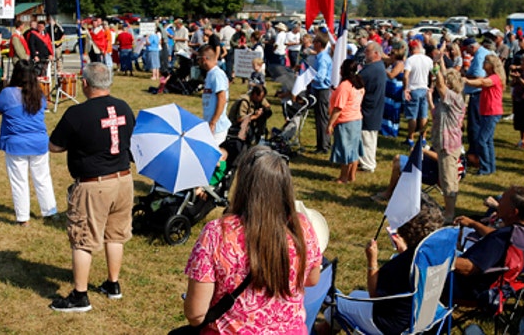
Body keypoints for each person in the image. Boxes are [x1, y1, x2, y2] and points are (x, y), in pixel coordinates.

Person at [182, 146, 322, 333]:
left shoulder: (217, 233)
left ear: (243, 185)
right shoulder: (302, 227)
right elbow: (312, 279)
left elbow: (195, 314)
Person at [49, 62, 136, 312]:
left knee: (82, 239)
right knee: (115, 234)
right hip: (123, 180)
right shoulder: (124, 107)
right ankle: (113, 284)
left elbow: (54, 145)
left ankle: (80, 295)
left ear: (85, 84)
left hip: (94, 185)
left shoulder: (78, 113)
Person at [316, 194, 444, 335]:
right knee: (354, 294)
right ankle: (323, 328)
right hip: (420, 315)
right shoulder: (435, 252)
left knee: (337, 305)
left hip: (391, 324)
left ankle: (320, 331)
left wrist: (372, 259)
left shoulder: (399, 265)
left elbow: (375, 295)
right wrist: (404, 251)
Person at [0, 59, 58, 226]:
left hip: (16, 143)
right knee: (42, 178)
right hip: (39, 142)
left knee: (19, 180)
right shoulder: (39, 94)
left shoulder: (8, 94)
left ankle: (23, 218)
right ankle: (50, 211)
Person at [451, 186, 524, 303]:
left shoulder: (499, 240)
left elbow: (469, 268)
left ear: (513, 212)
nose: (499, 202)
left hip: (467, 287)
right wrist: (474, 224)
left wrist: (437, 258)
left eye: (503, 200)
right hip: (497, 285)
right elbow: (496, 235)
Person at [430, 58, 465, 222]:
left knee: (449, 180)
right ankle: (448, 210)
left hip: (450, 144)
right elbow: (436, 115)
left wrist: (436, 71)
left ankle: (450, 214)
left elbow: (441, 86)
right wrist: (429, 98)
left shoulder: (456, 98)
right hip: (442, 143)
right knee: (444, 179)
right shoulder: (445, 100)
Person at [462, 54, 505, 175]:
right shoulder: (491, 76)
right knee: (488, 141)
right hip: (487, 111)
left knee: (482, 140)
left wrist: (466, 81)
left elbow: (482, 82)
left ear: (492, 65)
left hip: (492, 112)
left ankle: (485, 168)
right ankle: (490, 167)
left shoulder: (495, 78)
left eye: (486, 61)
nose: (483, 63)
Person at [328, 59, 365, 183]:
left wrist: (330, 124)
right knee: (354, 149)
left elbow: (338, 108)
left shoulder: (344, 86)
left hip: (345, 121)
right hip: (356, 119)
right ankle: (352, 176)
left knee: (345, 150)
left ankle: (343, 177)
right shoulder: (359, 83)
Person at [222, 83, 271, 168]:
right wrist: (255, 116)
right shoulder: (244, 101)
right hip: (237, 128)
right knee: (239, 152)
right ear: (255, 94)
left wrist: (264, 109)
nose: (262, 99)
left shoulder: (258, 99)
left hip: (247, 126)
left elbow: (266, 105)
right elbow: (240, 119)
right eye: (261, 97)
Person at [357, 42, 387, 173]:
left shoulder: (372, 70)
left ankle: (368, 164)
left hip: (369, 108)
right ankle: (364, 161)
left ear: (376, 53)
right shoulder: (377, 67)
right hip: (373, 107)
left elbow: (358, 82)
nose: (365, 54)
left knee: (367, 138)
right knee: (367, 137)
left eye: (368, 52)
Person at [462, 37, 490, 160]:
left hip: (477, 94)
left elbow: (479, 76)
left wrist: (466, 77)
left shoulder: (479, 56)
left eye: (468, 50)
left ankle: (474, 153)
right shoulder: (484, 53)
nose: (468, 54)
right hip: (479, 94)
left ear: (472, 47)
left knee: (474, 125)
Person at [199, 45, 231, 145]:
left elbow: (222, 99)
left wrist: (213, 121)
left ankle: (225, 162)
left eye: (198, 59)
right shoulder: (210, 74)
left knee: (218, 157)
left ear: (204, 59)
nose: (198, 62)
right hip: (210, 124)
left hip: (217, 126)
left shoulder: (217, 74)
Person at [402, 40, 433, 146]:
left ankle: (410, 138)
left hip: (413, 88)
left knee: (412, 116)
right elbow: (433, 74)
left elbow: (406, 76)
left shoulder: (410, 60)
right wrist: (431, 86)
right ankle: (423, 137)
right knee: (424, 115)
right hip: (424, 88)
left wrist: (405, 89)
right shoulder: (428, 60)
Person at [309, 33, 333, 153]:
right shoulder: (321, 56)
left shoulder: (323, 58)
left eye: (314, 42)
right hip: (320, 89)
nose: (313, 45)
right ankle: (322, 143)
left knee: (322, 117)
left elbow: (320, 77)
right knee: (320, 117)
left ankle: (323, 146)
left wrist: (309, 77)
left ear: (319, 44)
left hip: (322, 89)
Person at [381, 43, 406, 138]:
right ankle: (385, 128)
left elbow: (392, 75)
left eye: (392, 54)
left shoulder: (399, 64)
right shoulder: (393, 62)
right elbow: (384, 57)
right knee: (387, 109)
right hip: (389, 89)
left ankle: (391, 130)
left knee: (393, 110)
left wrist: (383, 69)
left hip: (395, 90)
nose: (390, 55)